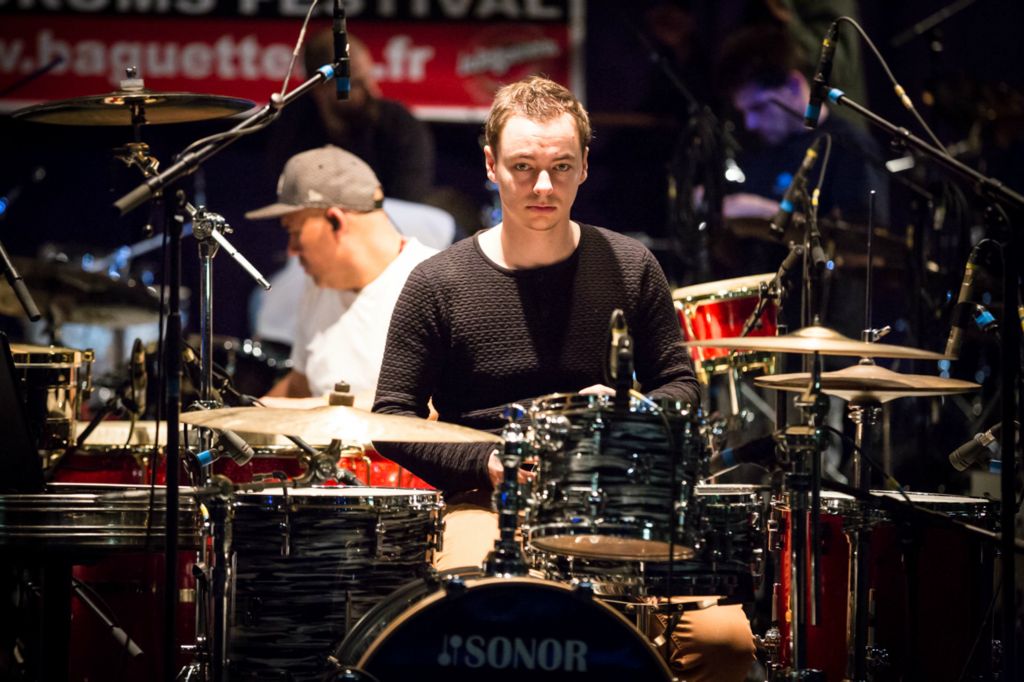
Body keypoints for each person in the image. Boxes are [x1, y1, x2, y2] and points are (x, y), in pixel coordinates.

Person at [373, 75, 755, 680]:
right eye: (523, 166)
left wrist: (630, 408)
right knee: (475, 620)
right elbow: (389, 419)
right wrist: (488, 464)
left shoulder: (631, 266)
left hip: (618, 502)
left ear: (583, 167)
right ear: (491, 164)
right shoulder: (437, 282)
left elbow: (682, 386)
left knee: (724, 645)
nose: (543, 186)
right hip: (488, 500)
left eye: (561, 166)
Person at [244, 145, 437, 401]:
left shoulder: (436, 282)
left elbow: (438, 406)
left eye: (295, 232)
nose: (291, 250)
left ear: (336, 221)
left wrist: (323, 412)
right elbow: (299, 389)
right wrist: (239, 420)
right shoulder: (318, 286)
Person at [716, 24, 888, 227]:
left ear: (794, 84)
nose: (750, 123)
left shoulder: (849, 146)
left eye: (759, 108)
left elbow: (862, 245)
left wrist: (766, 214)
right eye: (744, 112)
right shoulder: (758, 149)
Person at [265, 29, 435, 204]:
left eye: (370, 76)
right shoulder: (294, 126)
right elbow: (289, 200)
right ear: (320, 89)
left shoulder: (401, 126)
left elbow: (407, 205)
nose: (373, 91)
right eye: (357, 84)